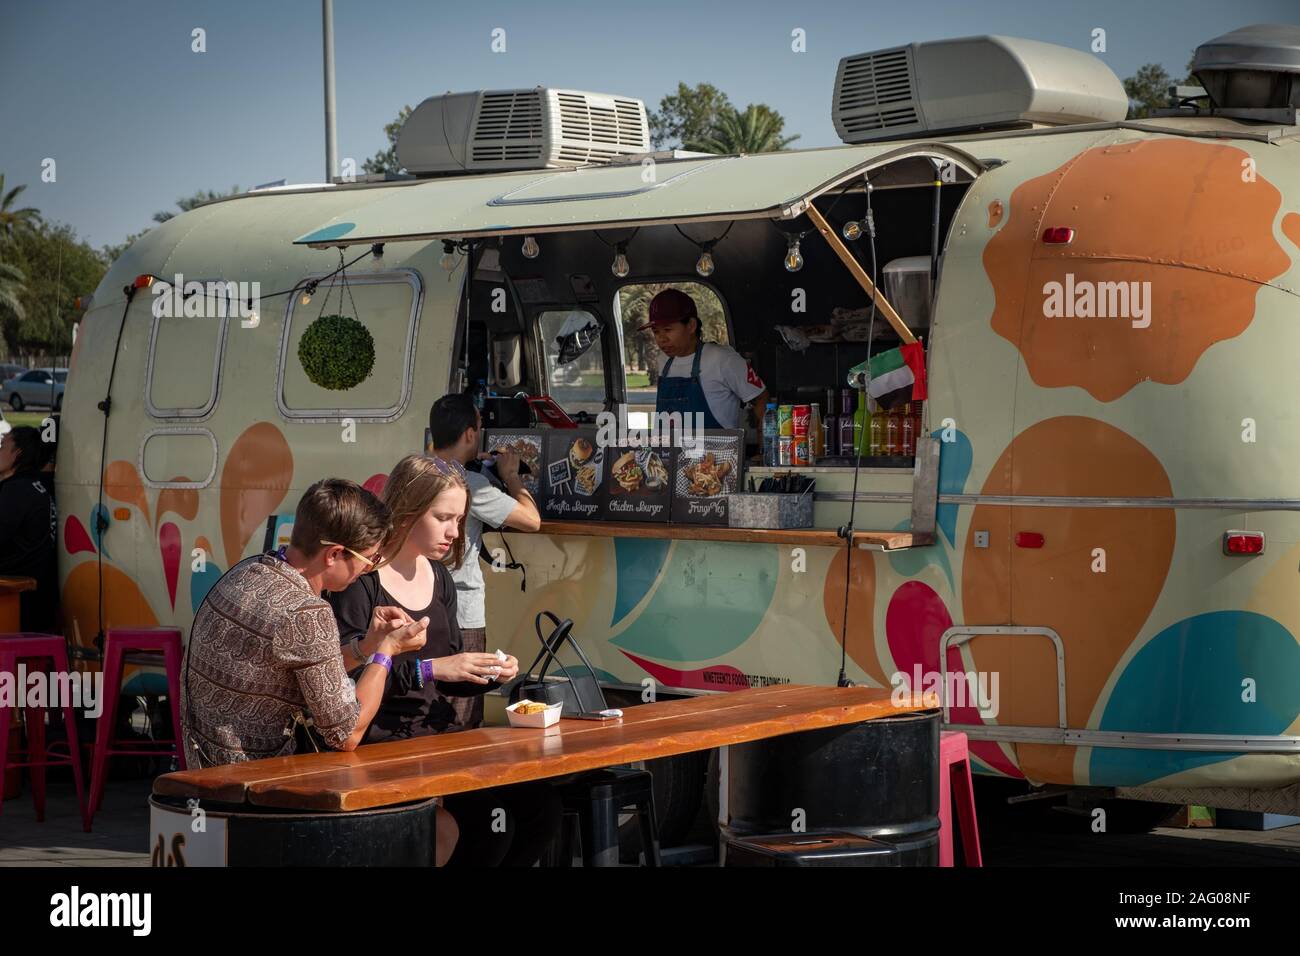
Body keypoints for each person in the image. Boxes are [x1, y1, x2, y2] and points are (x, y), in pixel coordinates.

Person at [327, 454, 561, 867]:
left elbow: (447, 675)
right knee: (491, 824)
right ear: (407, 511)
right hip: (382, 744)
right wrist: (432, 668)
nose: (456, 532)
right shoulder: (359, 580)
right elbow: (345, 675)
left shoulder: (439, 578)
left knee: (540, 808)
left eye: (460, 519)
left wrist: (486, 673)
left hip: (439, 738)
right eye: (444, 518)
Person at [427, 393, 540, 729]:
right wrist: (510, 475)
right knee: (462, 709)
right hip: (462, 612)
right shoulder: (469, 483)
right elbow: (532, 520)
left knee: (427, 699)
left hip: (419, 606)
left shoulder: (416, 472)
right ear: (470, 434)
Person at [642, 287, 768, 430]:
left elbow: (761, 399)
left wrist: (764, 449)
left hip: (718, 452)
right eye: (656, 331)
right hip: (669, 452)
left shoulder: (722, 358)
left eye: (667, 330)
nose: (661, 339)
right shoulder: (663, 361)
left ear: (691, 325)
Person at [0, 426, 58, 631]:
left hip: (17, 604)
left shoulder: (16, 492)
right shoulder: (35, 484)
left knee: (21, 664)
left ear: (18, 454)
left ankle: (18, 666)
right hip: (39, 600)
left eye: (2, 446)